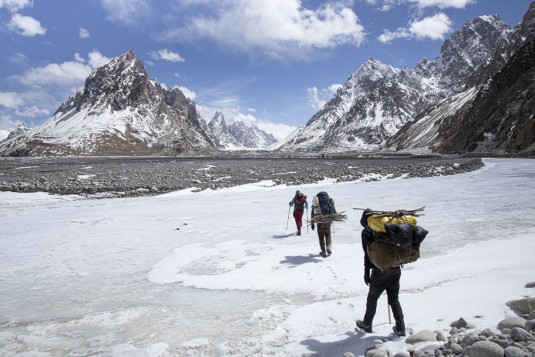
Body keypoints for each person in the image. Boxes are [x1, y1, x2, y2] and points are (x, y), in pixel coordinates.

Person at [356, 209, 406, 337]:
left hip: (380, 270)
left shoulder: (367, 231)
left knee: (372, 297)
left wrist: (366, 271)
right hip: (395, 267)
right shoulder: (386, 228)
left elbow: (367, 253)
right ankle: (401, 328)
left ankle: (367, 323)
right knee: (394, 298)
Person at [310, 191, 336, 257]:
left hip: (320, 222)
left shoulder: (317, 203)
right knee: (328, 235)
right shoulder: (328, 201)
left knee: (321, 236)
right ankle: (328, 248)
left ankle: (323, 251)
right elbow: (333, 210)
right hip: (328, 221)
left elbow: (313, 213)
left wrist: (312, 223)